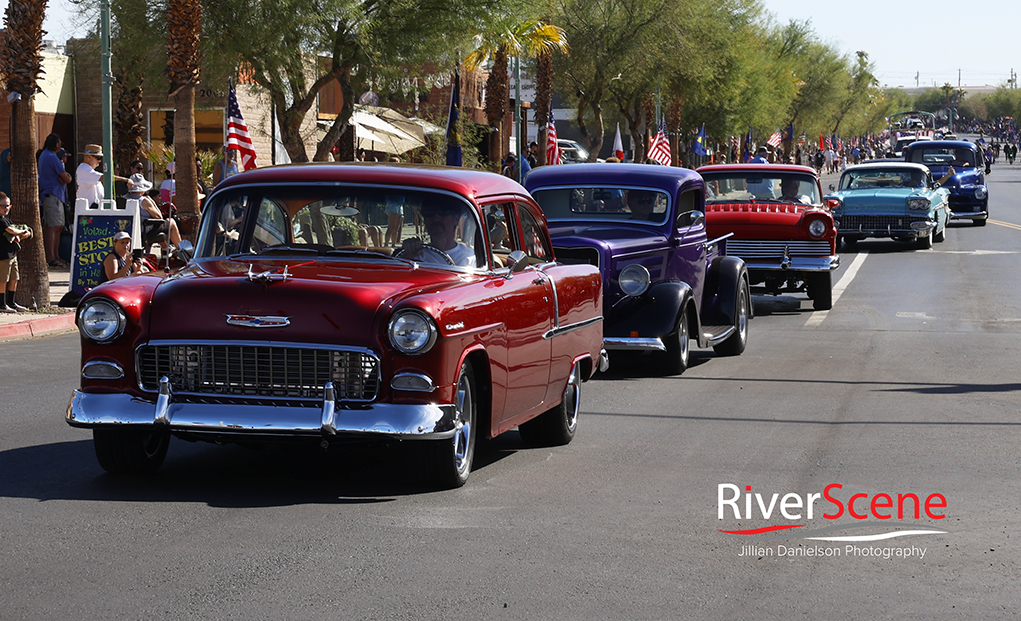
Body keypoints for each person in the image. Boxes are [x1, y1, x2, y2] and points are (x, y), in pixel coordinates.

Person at [400, 202, 476, 267]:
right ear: (425, 220)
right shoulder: (416, 254)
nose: (436, 218)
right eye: (429, 213)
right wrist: (407, 255)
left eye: (443, 212)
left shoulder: (470, 257)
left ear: (456, 219)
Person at [38, 133, 72, 267]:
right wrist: (65, 177)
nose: (60, 145)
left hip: (55, 195)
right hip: (52, 194)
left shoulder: (45, 155)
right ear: (55, 144)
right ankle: (51, 257)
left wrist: (63, 177)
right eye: (59, 143)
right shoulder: (51, 157)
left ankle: (56, 255)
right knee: (52, 227)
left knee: (57, 227)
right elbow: (67, 179)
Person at [126, 173, 182, 252]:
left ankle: (166, 249)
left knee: (161, 227)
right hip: (145, 229)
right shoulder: (143, 200)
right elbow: (159, 217)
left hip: (130, 228)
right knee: (171, 222)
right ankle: (181, 250)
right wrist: (151, 201)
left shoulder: (123, 198)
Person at [0, 192, 32, 312]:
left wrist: (26, 233)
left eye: (8, 206)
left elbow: (15, 234)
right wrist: (22, 231)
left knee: (14, 278)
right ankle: (1, 305)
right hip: (3, 256)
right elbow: (11, 230)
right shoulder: (1, 222)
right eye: (3, 206)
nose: (6, 208)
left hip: (12, 254)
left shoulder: (7, 220)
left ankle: (11, 303)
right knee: (3, 280)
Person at [76, 144, 127, 210]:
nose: (99, 161)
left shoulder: (88, 170)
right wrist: (125, 180)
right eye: (98, 158)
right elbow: (105, 178)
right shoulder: (83, 169)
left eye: (101, 158)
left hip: (94, 209)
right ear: (88, 157)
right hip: (89, 209)